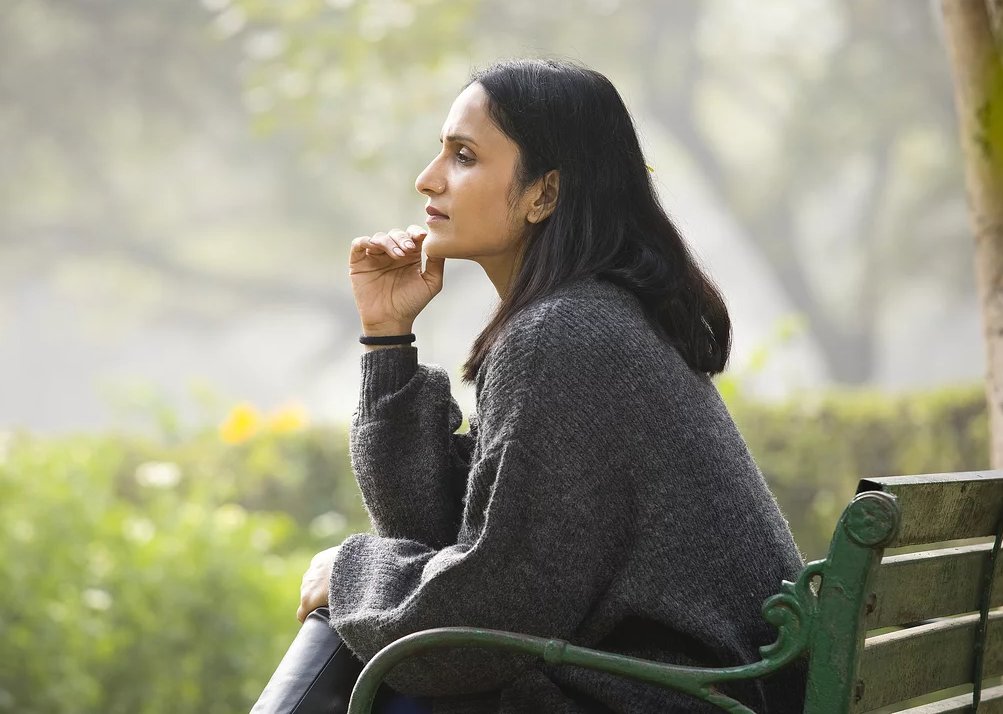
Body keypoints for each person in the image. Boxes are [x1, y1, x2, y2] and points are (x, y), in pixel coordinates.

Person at [295, 59, 809, 713]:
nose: (427, 179)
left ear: (544, 192)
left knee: (371, 670)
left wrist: (348, 575)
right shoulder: (584, 319)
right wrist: (388, 338)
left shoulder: (568, 336)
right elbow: (445, 541)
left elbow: (485, 623)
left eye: (463, 155)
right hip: (698, 695)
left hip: (684, 700)